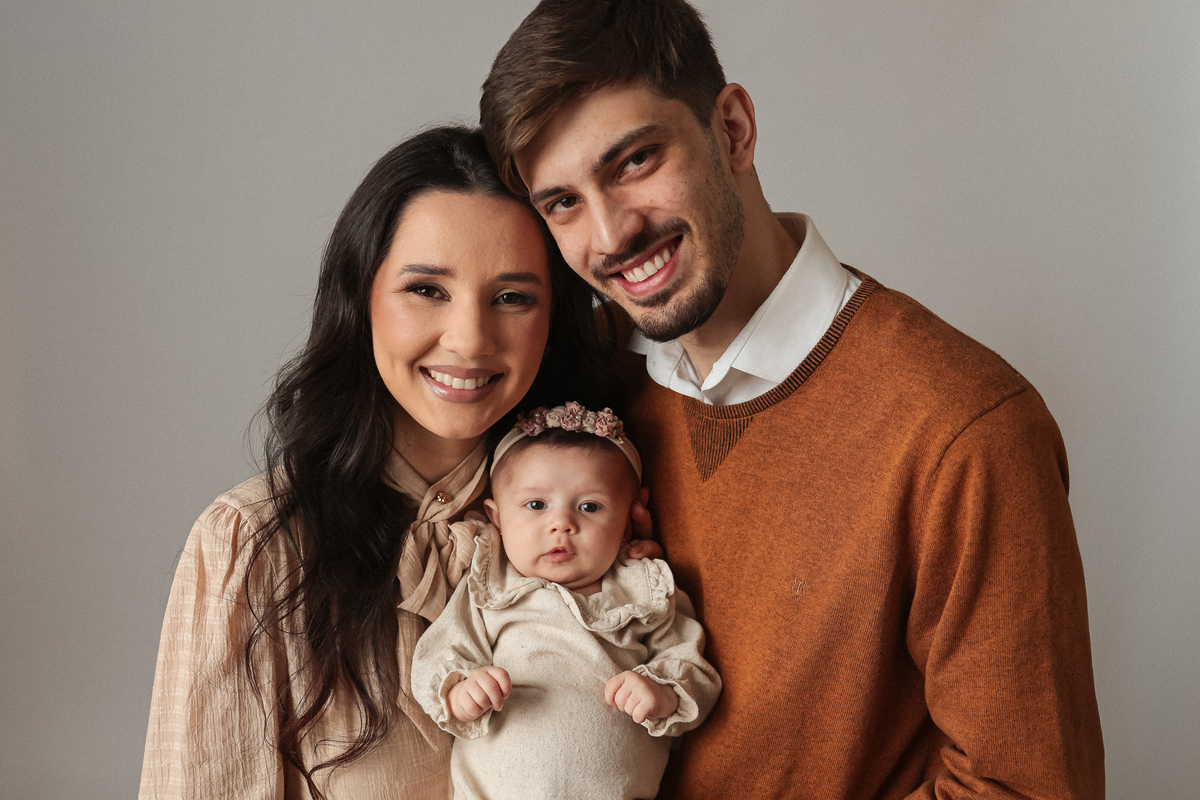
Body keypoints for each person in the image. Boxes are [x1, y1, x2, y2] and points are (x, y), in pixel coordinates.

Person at [479, 1, 1105, 798]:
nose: (609, 236)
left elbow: (1021, 787)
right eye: (563, 202)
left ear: (733, 130)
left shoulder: (962, 427)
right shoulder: (574, 382)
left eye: (633, 161)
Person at [138, 126, 640, 799]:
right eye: (427, 290)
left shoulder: (608, 516)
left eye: (512, 297)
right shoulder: (251, 545)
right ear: (361, 297)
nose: (470, 340)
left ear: (554, 319)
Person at [411, 403, 721, 800]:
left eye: (589, 507)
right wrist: (460, 692)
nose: (562, 524)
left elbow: (694, 668)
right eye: (536, 505)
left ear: (628, 520)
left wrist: (662, 693)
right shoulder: (490, 586)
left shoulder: (643, 589)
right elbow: (440, 652)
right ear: (497, 518)